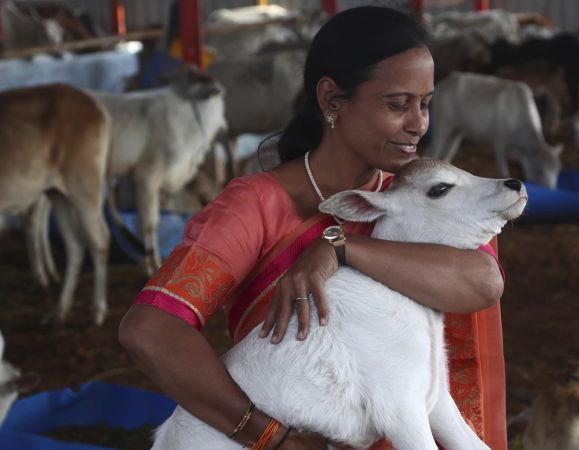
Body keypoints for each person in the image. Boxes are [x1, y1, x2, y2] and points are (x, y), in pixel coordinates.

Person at [119, 6, 508, 450]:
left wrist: (340, 249)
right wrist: (269, 436)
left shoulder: (424, 196)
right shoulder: (255, 207)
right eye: (397, 104)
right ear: (330, 99)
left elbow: (483, 282)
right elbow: (149, 330)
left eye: (425, 104)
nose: (419, 123)